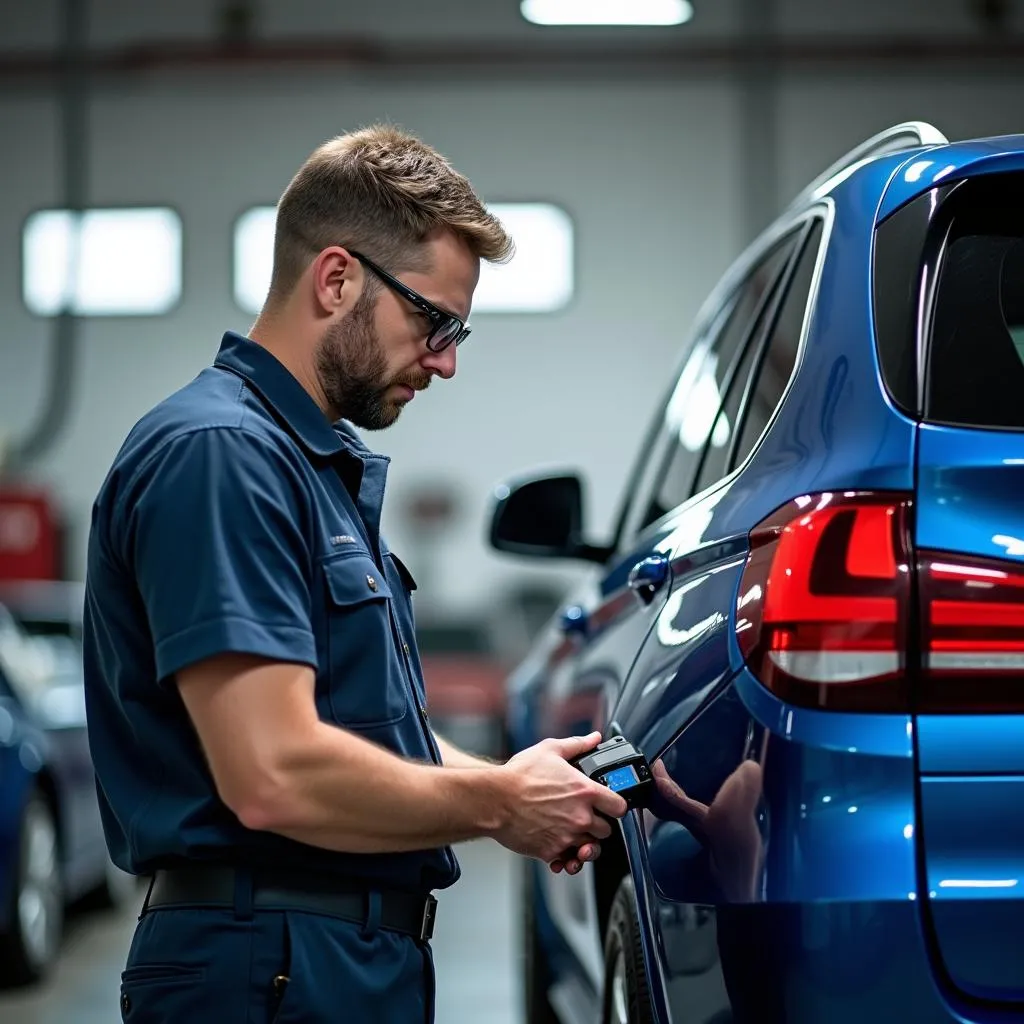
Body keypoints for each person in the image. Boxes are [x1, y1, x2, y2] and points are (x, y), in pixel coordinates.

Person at [82, 124, 627, 1024]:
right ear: (336, 279)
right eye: (434, 321)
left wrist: (515, 784)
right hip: (266, 968)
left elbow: (368, 741)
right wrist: (496, 804)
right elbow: (273, 772)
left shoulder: (307, 468)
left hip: (329, 962)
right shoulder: (220, 456)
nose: (447, 360)